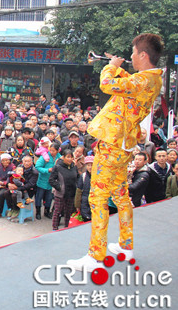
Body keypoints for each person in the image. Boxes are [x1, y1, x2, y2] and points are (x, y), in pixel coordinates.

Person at [68, 33, 164, 272]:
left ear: (142, 55)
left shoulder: (142, 81)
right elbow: (130, 84)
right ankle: (126, 244)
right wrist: (118, 67)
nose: (130, 57)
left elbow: (107, 85)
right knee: (121, 195)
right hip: (123, 143)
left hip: (112, 143)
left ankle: (95, 255)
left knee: (97, 197)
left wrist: (110, 68)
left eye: (133, 53)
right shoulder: (151, 79)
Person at [49, 149, 78, 230]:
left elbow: (77, 178)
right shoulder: (58, 167)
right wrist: (59, 187)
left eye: (71, 157)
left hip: (71, 193)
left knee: (68, 212)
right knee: (57, 211)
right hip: (60, 194)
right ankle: (55, 228)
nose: (70, 159)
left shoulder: (74, 167)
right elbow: (51, 180)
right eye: (68, 157)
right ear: (63, 157)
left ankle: (67, 227)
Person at [35, 142, 61, 220]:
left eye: (53, 151)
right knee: (39, 197)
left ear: (57, 151)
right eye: (50, 150)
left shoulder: (59, 158)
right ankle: (38, 212)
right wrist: (47, 170)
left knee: (49, 198)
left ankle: (47, 211)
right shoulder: (45, 157)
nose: (51, 152)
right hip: (43, 180)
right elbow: (38, 166)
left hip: (52, 182)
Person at [78, 155, 94, 222]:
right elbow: (79, 191)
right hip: (85, 202)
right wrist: (77, 205)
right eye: (88, 165)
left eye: (92, 165)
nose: (90, 167)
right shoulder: (83, 176)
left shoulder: (99, 176)